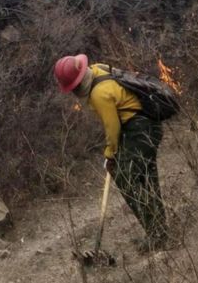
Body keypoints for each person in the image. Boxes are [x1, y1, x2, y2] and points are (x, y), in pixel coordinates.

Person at [54, 53, 169, 252]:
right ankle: (158, 231)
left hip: (139, 129)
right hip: (146, 126)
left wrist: (110, 154)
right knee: (146, 177)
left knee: (126, 178)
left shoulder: (99, 94)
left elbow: (112, 127)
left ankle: (157, 234)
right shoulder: (98, 69)